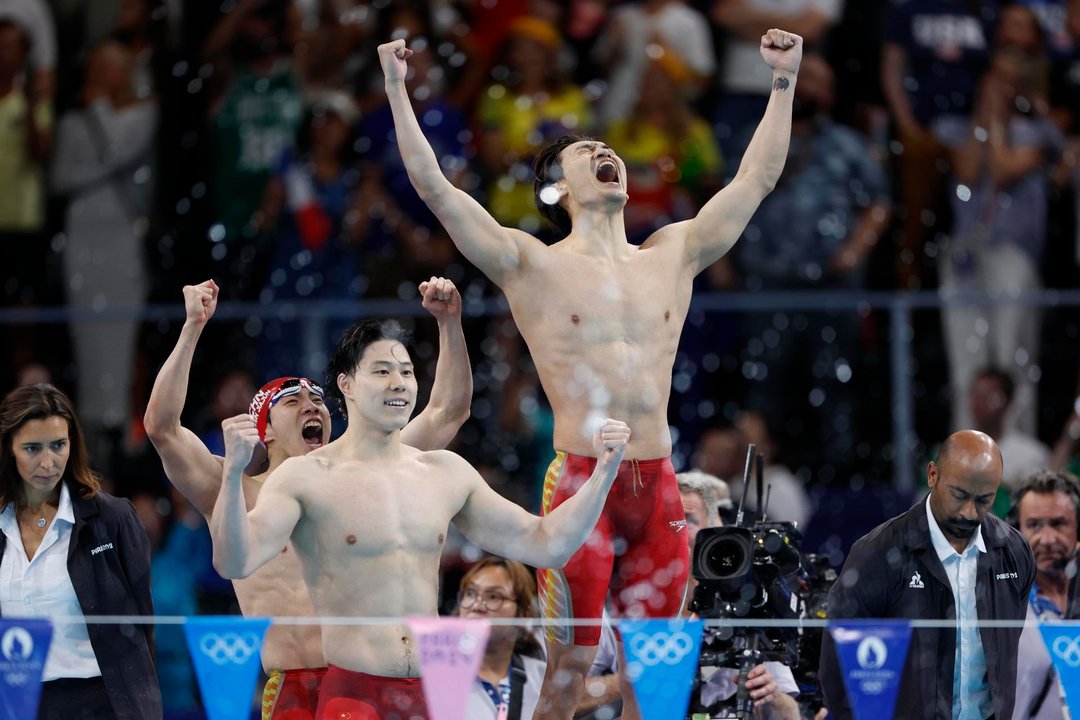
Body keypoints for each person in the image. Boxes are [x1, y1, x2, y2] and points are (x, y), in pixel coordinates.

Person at [379, 27, 803, 719]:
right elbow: (434, 187)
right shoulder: (531, 264)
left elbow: (755, 178)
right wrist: (398, 90)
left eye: (609, 150)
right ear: (558, 191)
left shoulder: (674, 251)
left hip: (659, 484)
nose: (607, 154)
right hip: (583, 484)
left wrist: (782, 83)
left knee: (653, 682)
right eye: (587, 153)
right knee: (569, 672)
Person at [209, 318, 632, 719]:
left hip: (431, 694)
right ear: (346, 385)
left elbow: (548, 543)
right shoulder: (305, 477)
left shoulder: (444, 472)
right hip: (354, 694)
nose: (398, 383)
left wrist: (604, 471)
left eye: (407, 372)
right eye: (381, 371)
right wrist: (232, 473)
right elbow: (234, 562)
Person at [143, 277, 472, 720]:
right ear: (267, 431)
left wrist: (449, 323)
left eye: (318, 399)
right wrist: (192, 328)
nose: (312, 407)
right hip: (295, 683)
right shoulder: (238, 487)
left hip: (365, 679)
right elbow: (162, 427)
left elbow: (447, 411)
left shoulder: (367, 474)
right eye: (293, 401)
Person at [819, 430, 1036, 720]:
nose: (969, 513)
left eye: (984, 499)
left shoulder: (1015, 553)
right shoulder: (878, 554)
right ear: (932, 475)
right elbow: (838, 669)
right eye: (959, 495)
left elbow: (1005, 655)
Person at [580, 470, 799, 720]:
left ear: (714, 529)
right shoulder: (623, 605)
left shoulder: (746, 604)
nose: (675, 530)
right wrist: (635, 679)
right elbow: (568, 696)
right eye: (664, 520)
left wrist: (770, 698)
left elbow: (791, 714)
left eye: (687, 519)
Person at [0, 384, 160, 720]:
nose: (48, 462)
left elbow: (143, 631)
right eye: (32, 448)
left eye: (59, 445)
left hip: (103, 703)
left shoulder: (113, 518)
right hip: (17, 706)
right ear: (7, 450)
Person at [1010, 469, 1080, 720]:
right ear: (1017, 531)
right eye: (1034, 525)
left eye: (1059, 523)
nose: (1048, 539)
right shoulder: (1002, 607)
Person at [459, 557, 547, 719]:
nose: (476, 606)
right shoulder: (435, 674)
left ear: (524, 614)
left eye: (493, 597)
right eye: (470, 593)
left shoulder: (543, 679)